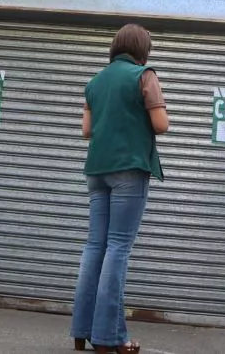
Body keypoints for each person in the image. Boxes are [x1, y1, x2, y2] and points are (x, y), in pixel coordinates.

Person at [70, 23, 168, 354]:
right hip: (129, 168)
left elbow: (87, 131)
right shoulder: (145, 76)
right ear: (143, 50)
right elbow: (161, 124)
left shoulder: (94, 82)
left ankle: (82, 331)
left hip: (96, 170)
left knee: (94, 246)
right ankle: (109, 337)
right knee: (118, 248)